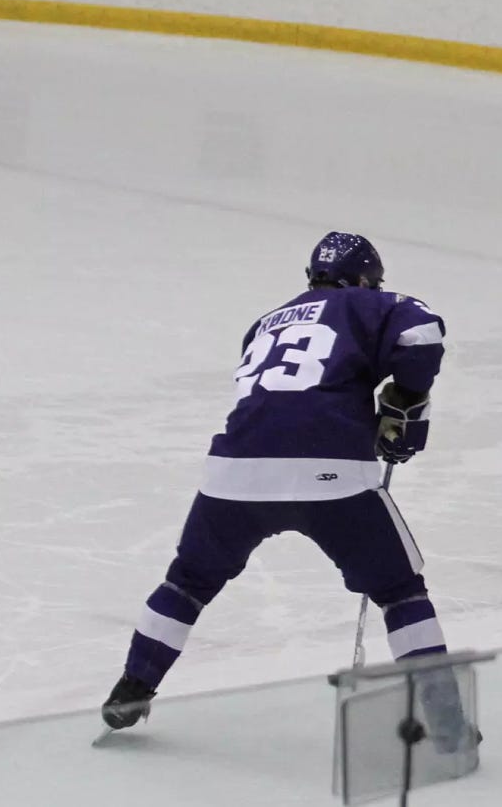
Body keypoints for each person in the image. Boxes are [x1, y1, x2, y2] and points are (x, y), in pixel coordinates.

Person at [101, 232, 459, 733]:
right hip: (330, 472)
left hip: (236, 471)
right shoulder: (372, 303)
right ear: (362, 278)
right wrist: (406, 400)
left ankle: (131, 690)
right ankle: (445, 719)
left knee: (186, 584)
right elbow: (421, 337)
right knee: (400, 591)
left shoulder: (265, 323)